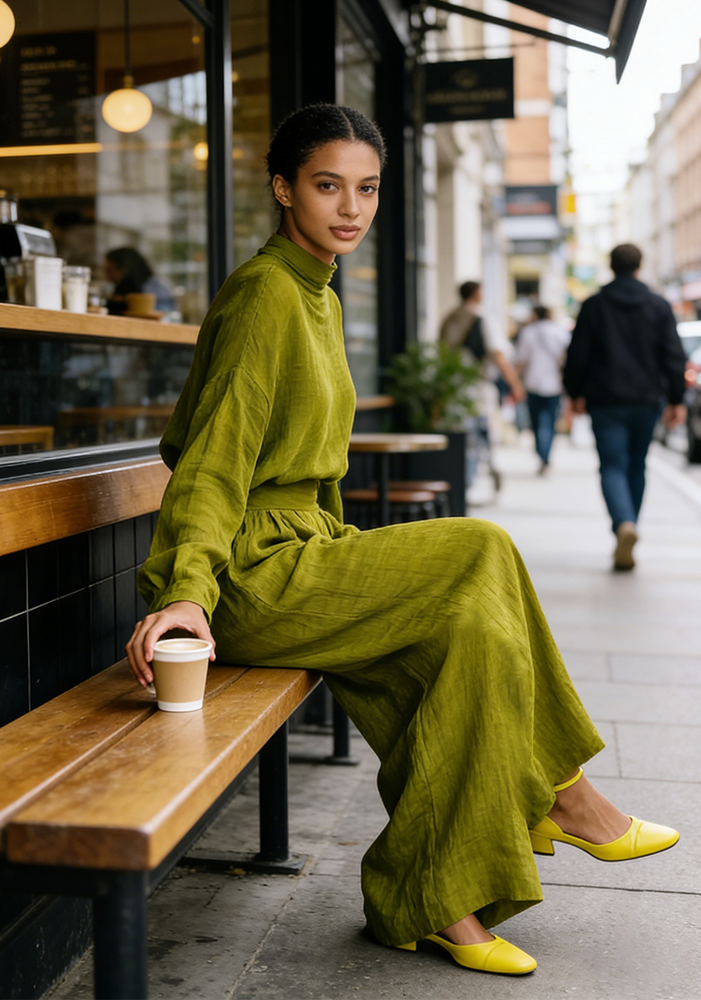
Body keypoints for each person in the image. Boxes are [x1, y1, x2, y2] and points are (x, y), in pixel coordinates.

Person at [126, 106, 678, 977]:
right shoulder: (266, 294)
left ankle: (434, 900)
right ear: (283, 189)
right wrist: (187, 589)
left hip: (301, 549)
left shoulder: (318, 291)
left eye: (368, 188)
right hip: (250, 573)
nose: (352, 207)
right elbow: (213, 459)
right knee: (480, 548)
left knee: (472, 638)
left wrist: (347, 549)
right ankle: (561, 796)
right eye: (328, 185)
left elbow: (309, 465)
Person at [563, 244, 687, 570]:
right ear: (639, 266)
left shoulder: (594, 305)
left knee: (612, 466)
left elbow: (578, 354)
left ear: (611, 266)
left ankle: (623, 523)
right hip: (646, 399)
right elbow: (673, 355)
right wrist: (676, 399)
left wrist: (574, 393)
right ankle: (630, 522)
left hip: (605, 400)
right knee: (637, 465)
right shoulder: (658, 305)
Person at [440, 282, 525, 496]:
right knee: (481, 433)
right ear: (476, 294)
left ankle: (463, 485)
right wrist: (515, 383)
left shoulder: (449, 318)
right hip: (478, 386)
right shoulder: (482, 318)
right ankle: (471, 481)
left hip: (453, 386)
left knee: (463, 435)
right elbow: (498, 354)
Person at [516, 305, 571, 474]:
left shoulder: (528, 333)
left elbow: (521, 361)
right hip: (554, 385)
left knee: (536, 422)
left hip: (533, 384)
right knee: (550, 422)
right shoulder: (560, 332)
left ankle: (542, 454)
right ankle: (545, 455)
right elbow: (567, 358)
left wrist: (516, 382)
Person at [103, 246, 176, 314]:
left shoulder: (145, 289)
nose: (106, 275)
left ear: (123, 269)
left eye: (109, 270)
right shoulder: (154, 283)